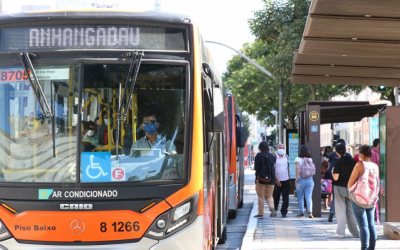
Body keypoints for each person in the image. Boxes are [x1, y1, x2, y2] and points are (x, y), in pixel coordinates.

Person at [348, 145, 379, 250]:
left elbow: (350, 183)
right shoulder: (375, 166)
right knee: (371, 224)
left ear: (360, 154)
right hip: (371, 199)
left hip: (359, 199)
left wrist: (351, 194)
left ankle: (364, 248)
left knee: (363, 226)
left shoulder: (359, 165)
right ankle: (372, 248)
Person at [331, 143, 359, 238]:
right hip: (351, 188)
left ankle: (340, 233)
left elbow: (335, 177)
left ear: (337, 152)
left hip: (339, 187)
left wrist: (332, 172)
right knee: (350, 210)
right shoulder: (352, 161)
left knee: (340, 210)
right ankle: (355, 232)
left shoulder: (338, 162)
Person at [327, 138, 352, 222]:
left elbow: (331, 168)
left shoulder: (333, 156)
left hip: (337, 183)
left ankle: (332, 210)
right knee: (349, 204)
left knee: (337, 200)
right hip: (348, 183)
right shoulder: (349, 157)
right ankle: (353, 227)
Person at [254, 141, 277, 218]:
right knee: (269, 196)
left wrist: (257, 179)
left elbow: (256, 168)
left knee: (261, 196)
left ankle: (260, 213)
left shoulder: (258, 156)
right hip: (271, 179)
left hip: (261, 179)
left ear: (260, 148)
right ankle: (272, 208)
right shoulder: (272, 156)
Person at [295, 145, 314, 218]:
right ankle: (310, 211)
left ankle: (302, 212)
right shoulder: (310, 159)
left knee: (300, 196)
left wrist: (296, 178)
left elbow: (297, 168)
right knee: (309, 196)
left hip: (300, 180)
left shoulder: (297, 159)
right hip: (310, 180)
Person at [273, 143, 290, 218]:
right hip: (277, 181)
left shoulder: (286, 157)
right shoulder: (274, 158)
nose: (281, 149)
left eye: (283, 148)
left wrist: (289, 177)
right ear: (276, 149)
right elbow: (272, 170)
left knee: (285, 197)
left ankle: (284, 212)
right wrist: (276, 180)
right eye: (280, 148)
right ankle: (275, 209)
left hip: (286, 180)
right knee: (276, 197)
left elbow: (287, 167)